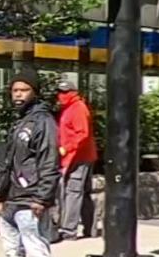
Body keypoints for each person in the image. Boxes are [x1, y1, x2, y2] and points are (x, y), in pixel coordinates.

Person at [0, 71, 58, 257]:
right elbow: (8, 161)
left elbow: (49, 160)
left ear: (35, 92)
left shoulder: (43, 122)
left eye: (24, 90)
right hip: (10, 199)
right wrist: (1, 196)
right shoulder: (19, 121)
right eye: (15, 90)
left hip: (30, 200)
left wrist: (42, 199)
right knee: (12, 251)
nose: (18, 94)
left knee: (36, 249)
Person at [54, 79, 98, 240]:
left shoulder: (78, 108)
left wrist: (67, 148)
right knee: (82, 193)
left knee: (73, 192)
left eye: (65, 92)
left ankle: (68, 230)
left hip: (79, 157)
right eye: (60, 92)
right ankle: (90, 229)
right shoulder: (69, 108)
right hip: (77, 157)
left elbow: (82, 134)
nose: (61, 95)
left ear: (73, 92)